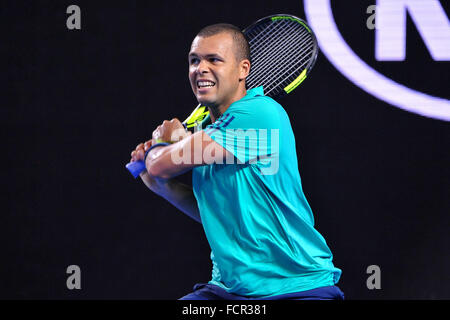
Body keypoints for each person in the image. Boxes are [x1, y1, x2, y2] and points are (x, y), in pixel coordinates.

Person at [129, 23, 344, 300]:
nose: (200, 69)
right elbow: (209, 209)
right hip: (229, 291)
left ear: (243, 69)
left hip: (297, 287)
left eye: (214, 60)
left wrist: (160, 148)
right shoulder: (205, 130)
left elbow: (160, 163)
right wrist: (154, 173)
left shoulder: (260, 114)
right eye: (194, 61)